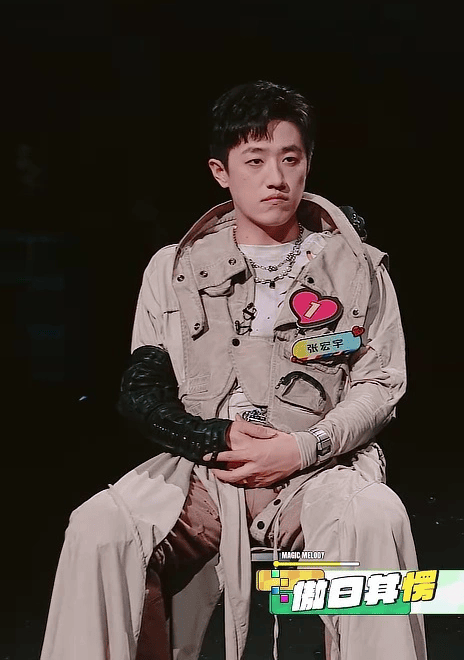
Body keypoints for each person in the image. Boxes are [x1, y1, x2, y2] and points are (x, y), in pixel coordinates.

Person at [40, 81, 428, 660]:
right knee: (99, 526)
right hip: (202, 470)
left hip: (319, 468)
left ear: (308, 163)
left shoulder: (358, 269)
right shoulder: (173, 269)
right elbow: (143, 393)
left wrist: (302, 448)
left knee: (376, 516)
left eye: (290, 159)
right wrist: (214, 438)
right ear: (220, 171)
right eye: (255, 160)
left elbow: (380, 384)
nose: (276, 178)